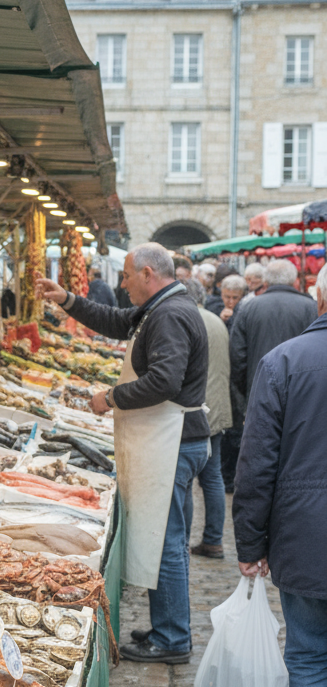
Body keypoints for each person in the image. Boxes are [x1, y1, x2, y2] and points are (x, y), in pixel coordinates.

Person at [35, 242, 209, 664]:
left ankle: (172, 638)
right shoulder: (161, 306)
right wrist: (68, 299)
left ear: (149, 273)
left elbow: (165, 381)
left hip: (173, 442)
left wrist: (111, 396)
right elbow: (115, 321)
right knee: (166, 538)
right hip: (172, 440)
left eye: (128, 276)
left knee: (164, 540)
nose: (123, 283)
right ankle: (170, 625)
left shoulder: (169, 314)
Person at [232, 265, 327, 687]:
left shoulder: (286, 361)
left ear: (317, 296)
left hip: (305, 533)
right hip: (304, 528)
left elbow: (257, 463)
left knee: (311, 658)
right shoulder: (285, 359)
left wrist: (250, 541)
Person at [229, 258, 317, 413]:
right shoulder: (311, 308)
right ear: (294, 280)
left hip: (260, 393)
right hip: (302, 395)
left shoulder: (248, 308)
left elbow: (237, 357)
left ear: (265, 280)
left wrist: (247, 390)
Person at [184, 285, 232, 558]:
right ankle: (213, 539)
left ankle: (183, 540)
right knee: (212, 477)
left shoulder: (185, 318)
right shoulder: (216, 320)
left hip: (194, 409)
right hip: (217, 408)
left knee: (188, 479)